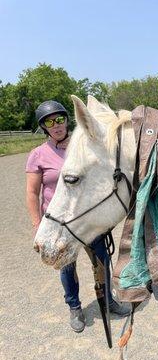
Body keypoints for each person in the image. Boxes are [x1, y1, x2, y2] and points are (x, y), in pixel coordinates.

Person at [26, 100, 130, 333]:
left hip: (86, 217)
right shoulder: (38, 155)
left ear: (66, 120)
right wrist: (37, 223)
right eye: (50, 122)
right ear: (44, 127)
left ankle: (107, 301)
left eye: (60, 119)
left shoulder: (83, 143)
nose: (56, 125)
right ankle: (74, 307)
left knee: (102, 262)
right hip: (62, 222)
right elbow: (32, 193)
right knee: (67, 267)